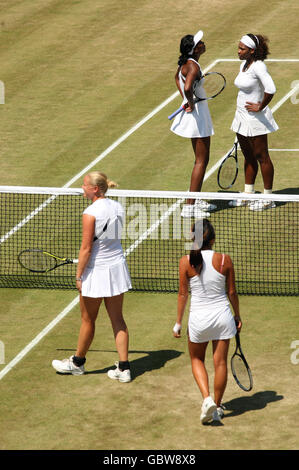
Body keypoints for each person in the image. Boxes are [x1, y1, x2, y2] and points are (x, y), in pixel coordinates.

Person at [52, 171, 132, 382]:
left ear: (95, 189)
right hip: (116, 268)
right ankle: (124, 369)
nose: (82, 187)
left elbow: (87, 248)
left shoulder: (90, 213)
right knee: (118, 320)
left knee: (88, 320)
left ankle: (77, 363)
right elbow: (108, 240)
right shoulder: (118, 207)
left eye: (85, 184)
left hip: (97, 273)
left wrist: (79, 276)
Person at [173, 219, 242, 424]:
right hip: (223, 318)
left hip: (198, 320)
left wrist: (178, 322)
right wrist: (237, 315)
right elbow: (232, 292)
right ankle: (217, 407)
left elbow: (182, 294)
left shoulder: (185, 261)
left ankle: (207, 399)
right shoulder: (224, 260)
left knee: (197, 360)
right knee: (220, 362)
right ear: (213, 239)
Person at [170, 30, 216, 218]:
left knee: (200, 159)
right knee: (201, 160)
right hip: (198, 115)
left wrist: (185, 99)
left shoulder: (186, 64)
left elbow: (177, 78)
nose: (204, 43)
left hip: (195, 113)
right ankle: (190, 207)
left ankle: (194, 199)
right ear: (195, 49)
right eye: (200, 42)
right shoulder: (194, 66)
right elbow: (188, 86)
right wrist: (189, 99)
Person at [230, 33, 279, 211]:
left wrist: (261, 106)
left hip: (255, 119)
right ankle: (248, 193)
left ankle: (268, 198)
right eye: (239, 47)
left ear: (252, 50)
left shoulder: (258, 66)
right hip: (241, 116)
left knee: (262, 157)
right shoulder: (243, 64)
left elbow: (271, 89)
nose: (238, 51)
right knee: (248, 156)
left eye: (242, 49)